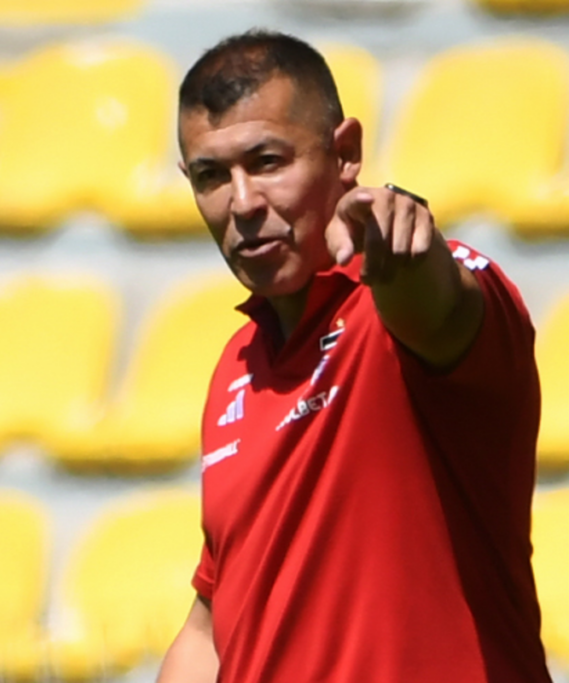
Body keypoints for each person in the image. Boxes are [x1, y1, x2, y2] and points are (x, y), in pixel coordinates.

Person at [157, 30, 551, 683]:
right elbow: (211, 621)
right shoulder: (235, 364)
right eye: (210, 176)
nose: (243, 203)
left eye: (267, 161)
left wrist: (405, 258)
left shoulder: (401, 305)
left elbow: (439, 309)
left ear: (345, 153)